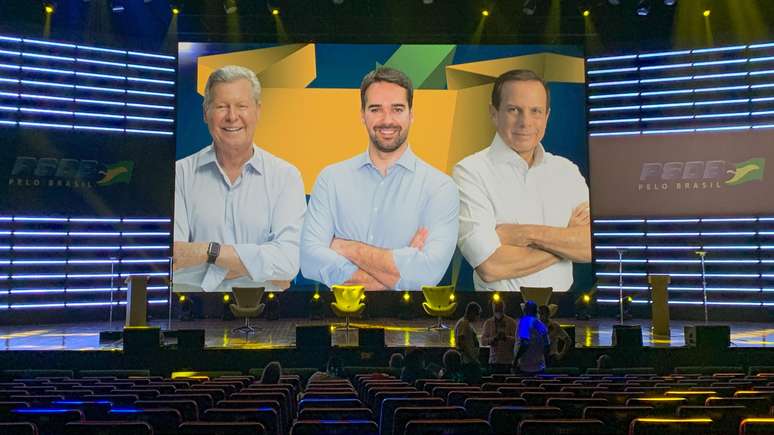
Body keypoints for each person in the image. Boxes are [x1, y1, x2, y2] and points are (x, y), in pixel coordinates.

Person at [300, 67, 459, 291]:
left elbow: (427, 274)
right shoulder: (331, 179)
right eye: (375, 109)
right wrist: (398, 273)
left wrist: (347, 248)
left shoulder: (440, 188)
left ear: (411, 115)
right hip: (339, 318)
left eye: (397, 109)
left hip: (410, 323)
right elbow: (309, 260)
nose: (387, 120)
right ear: (362, 115)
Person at [453, 69, 591, 293]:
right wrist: (565, 240)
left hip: (561, 316)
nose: (525, 122)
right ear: (494, 113)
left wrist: (524, 234)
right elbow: (490, 265)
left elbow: (589, 247)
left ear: (547, 116)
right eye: (514, 110)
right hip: (500, 316)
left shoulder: (567, 171)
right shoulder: (470, 172)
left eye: (535, 111)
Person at [174, 65, 306, 293]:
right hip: (193, 314)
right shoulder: (180, 174)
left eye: (241, 106)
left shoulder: (286, 176)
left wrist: (209, 252)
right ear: (206, 112)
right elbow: (174, 259)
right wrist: (257, 267)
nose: (232, 117)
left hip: (268, 316)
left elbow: (288, 263)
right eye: (221, 106)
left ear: (257, 111)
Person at [480, 299, 517, 374]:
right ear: (493, 309)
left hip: (508, 361)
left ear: (504, 308)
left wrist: (506, 338)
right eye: (496, 308)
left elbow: (517, 340)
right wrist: (493, 339)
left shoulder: (511, 322)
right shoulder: (488, 323)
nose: (498, 310)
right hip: (494, 360)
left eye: (500, 307)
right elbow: (483, 341)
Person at [514, 301, 550, 375]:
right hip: (540, 367)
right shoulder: (541, 325)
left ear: (525, 311)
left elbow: (525, 344)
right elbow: (547, 346)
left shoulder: (524, 323)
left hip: (524, 368)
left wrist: (515, 360)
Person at [454, 302, 482, 384]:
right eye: (477, 314)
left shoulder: (466, 323)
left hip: (470, 360)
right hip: (468, 362)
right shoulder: (464, 323)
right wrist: (472, 358)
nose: (478, 317)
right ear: (472, 312)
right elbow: (461, 342)